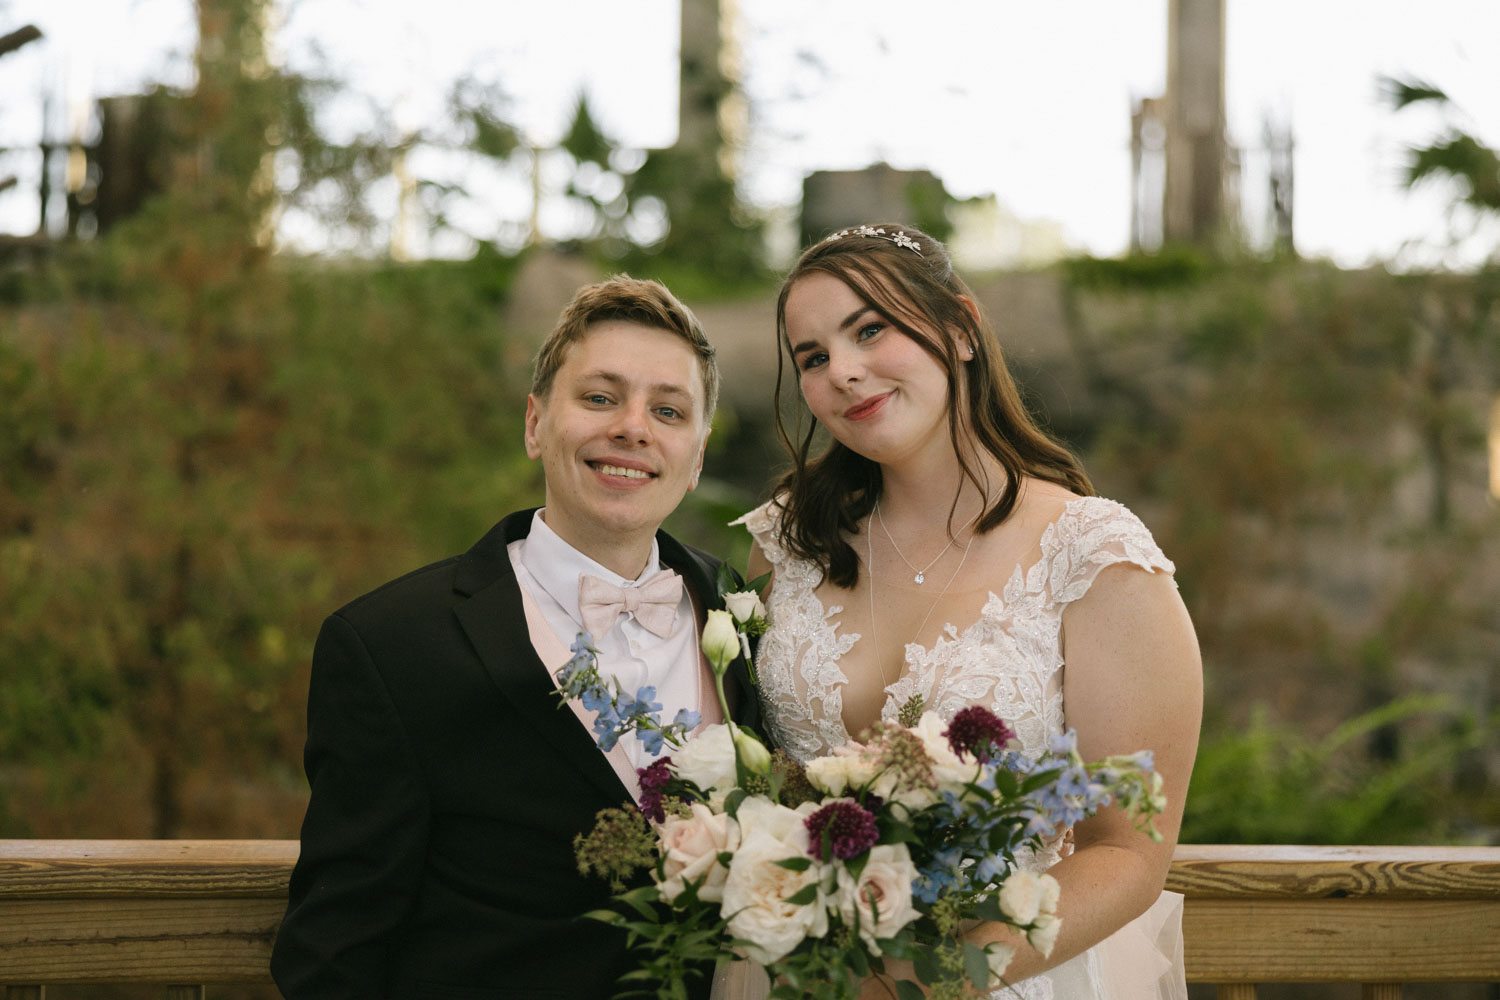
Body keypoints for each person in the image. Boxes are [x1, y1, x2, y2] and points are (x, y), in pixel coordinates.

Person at [735, 224, 1201, 1000]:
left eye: (869, 329)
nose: (843, 372)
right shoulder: (784, 546)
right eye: (813, 357)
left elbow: (1127, 853)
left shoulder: (1092, 557)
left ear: (959, 330)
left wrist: (935, 977)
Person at [272, 275, 761, 1000]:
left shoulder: (751, 615)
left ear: (695, 457)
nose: (633, 427)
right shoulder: (390, 645)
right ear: (535, 423)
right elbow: (334, 951)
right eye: (599, 397)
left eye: (668, 410)